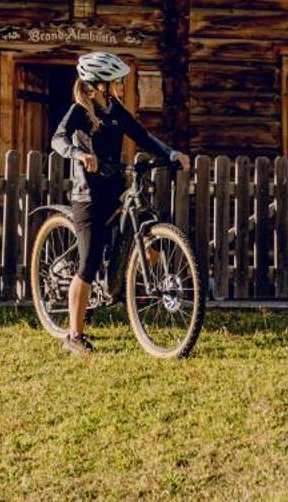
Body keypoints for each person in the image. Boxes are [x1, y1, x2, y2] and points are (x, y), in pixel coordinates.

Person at [48, 51, 191, 356]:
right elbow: (57, 140)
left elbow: (143, 135)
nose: (120, 86)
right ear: (98, 84)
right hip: (87, 194)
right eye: (115, 81)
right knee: (89, 261)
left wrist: (171, 153)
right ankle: (74, 335)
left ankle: (126, 286)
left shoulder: (115, 109)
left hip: (114, 186)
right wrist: (79, 155)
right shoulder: (79, 111)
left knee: (147, 228)